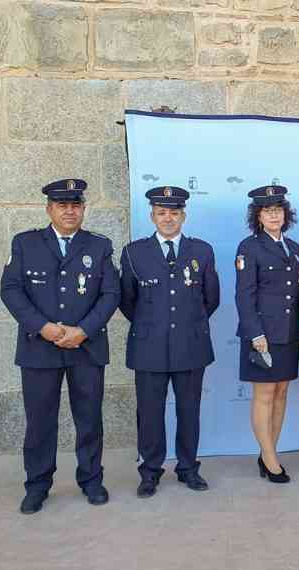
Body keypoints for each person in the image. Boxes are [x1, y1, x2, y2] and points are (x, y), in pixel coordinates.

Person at [0, 179, 119, 514]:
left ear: (83, 209)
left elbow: (111, 294)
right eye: (62, 205)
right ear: (49, 209)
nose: (70, 211)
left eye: (76, 205)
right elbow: (11, 290)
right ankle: (37, 485)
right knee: (40, 421)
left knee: (90, 418)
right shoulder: (26, 243)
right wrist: (45, 328)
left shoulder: (99, 245)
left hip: (87, 347)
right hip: (39, 348)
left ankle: (91, 479)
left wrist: (83, 330)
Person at [119, 186, 220, 498]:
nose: (168, 218)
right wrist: (155, 325)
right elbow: (127, 301)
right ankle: (150, 472)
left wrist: (185, 325)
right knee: (150, 413)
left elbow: (211, 299)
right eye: (161, 213)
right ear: (152, 216)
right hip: (148, 347)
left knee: (189, 410)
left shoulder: (201, 251)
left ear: (183, 216)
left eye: (174, 213)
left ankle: (188, 468)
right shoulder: (134, 252)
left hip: (190, 344)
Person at [235, 185, 299, 483]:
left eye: (278, 210)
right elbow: (244, 295)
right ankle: (269, 459)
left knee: (281, 394)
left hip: (289, 334)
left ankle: (269, 452)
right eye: (267, 210)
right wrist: (255, 334)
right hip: (263, 334)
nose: (274, 215)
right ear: (258, 215)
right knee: (264, 394)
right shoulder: (249, 248)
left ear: (286, 214)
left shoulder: (294, 248)